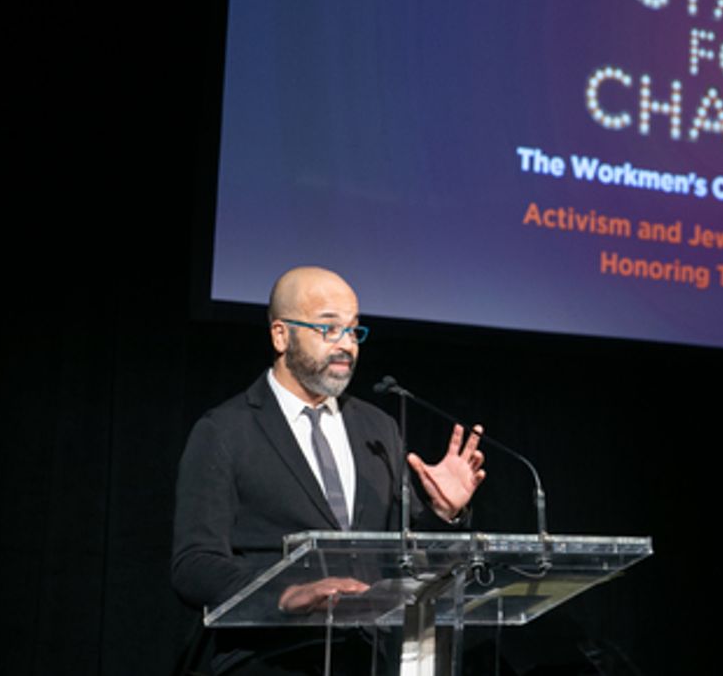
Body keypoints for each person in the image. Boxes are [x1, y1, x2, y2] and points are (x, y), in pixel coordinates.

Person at [171, 266, 486, 674]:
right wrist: (286, 594)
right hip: (270, 658)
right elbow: (194, 564)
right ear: (281, 335)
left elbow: (409, 558)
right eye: (329, 328)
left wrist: (444, 514)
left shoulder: (378, 429)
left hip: (368, 661)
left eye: (354, 331)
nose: (347, 345)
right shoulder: (226, 430)